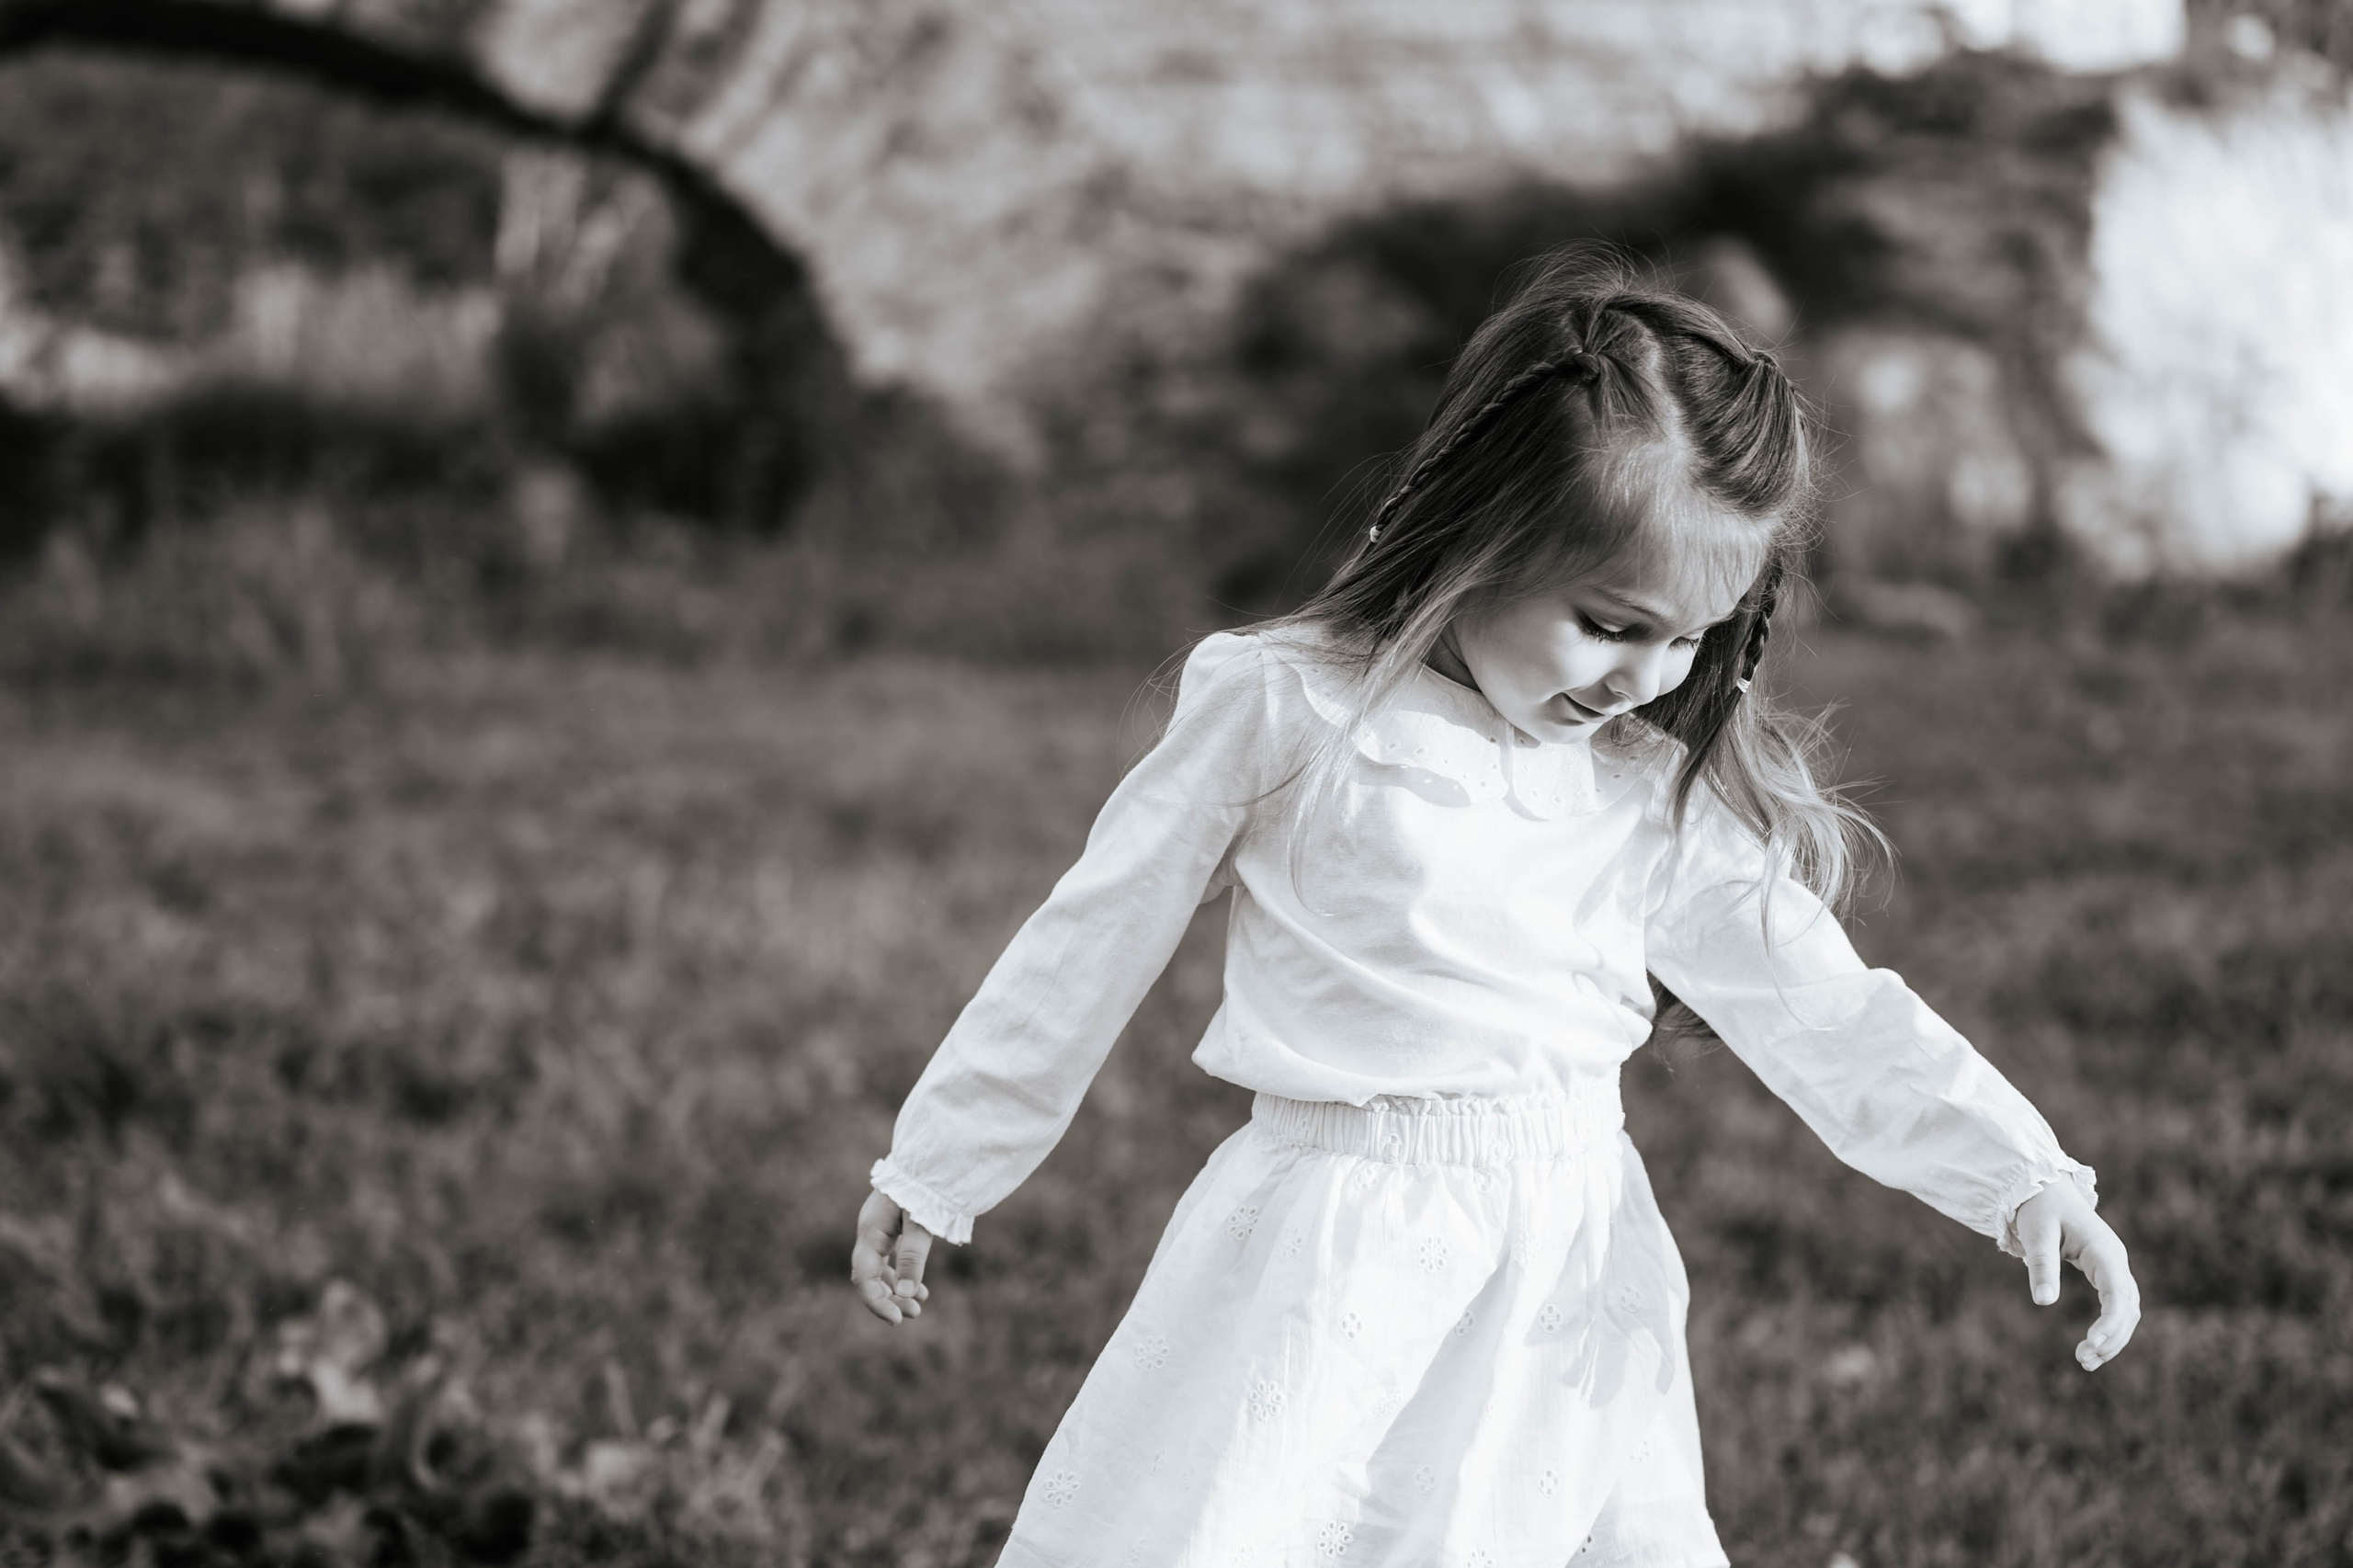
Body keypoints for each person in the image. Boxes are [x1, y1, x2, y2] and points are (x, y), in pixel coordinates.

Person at [847, 249, 2140, 1566]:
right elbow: (1093, 931)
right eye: (1607, 621)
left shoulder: (1644, 796)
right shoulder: (1290, 708)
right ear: (1485, 534)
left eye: (1692, 638)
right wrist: (948, 1154)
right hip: (1332, 1247)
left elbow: (1823, 1004)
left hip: (1570, 1266)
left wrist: (2016, 1169)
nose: (1647, 677)